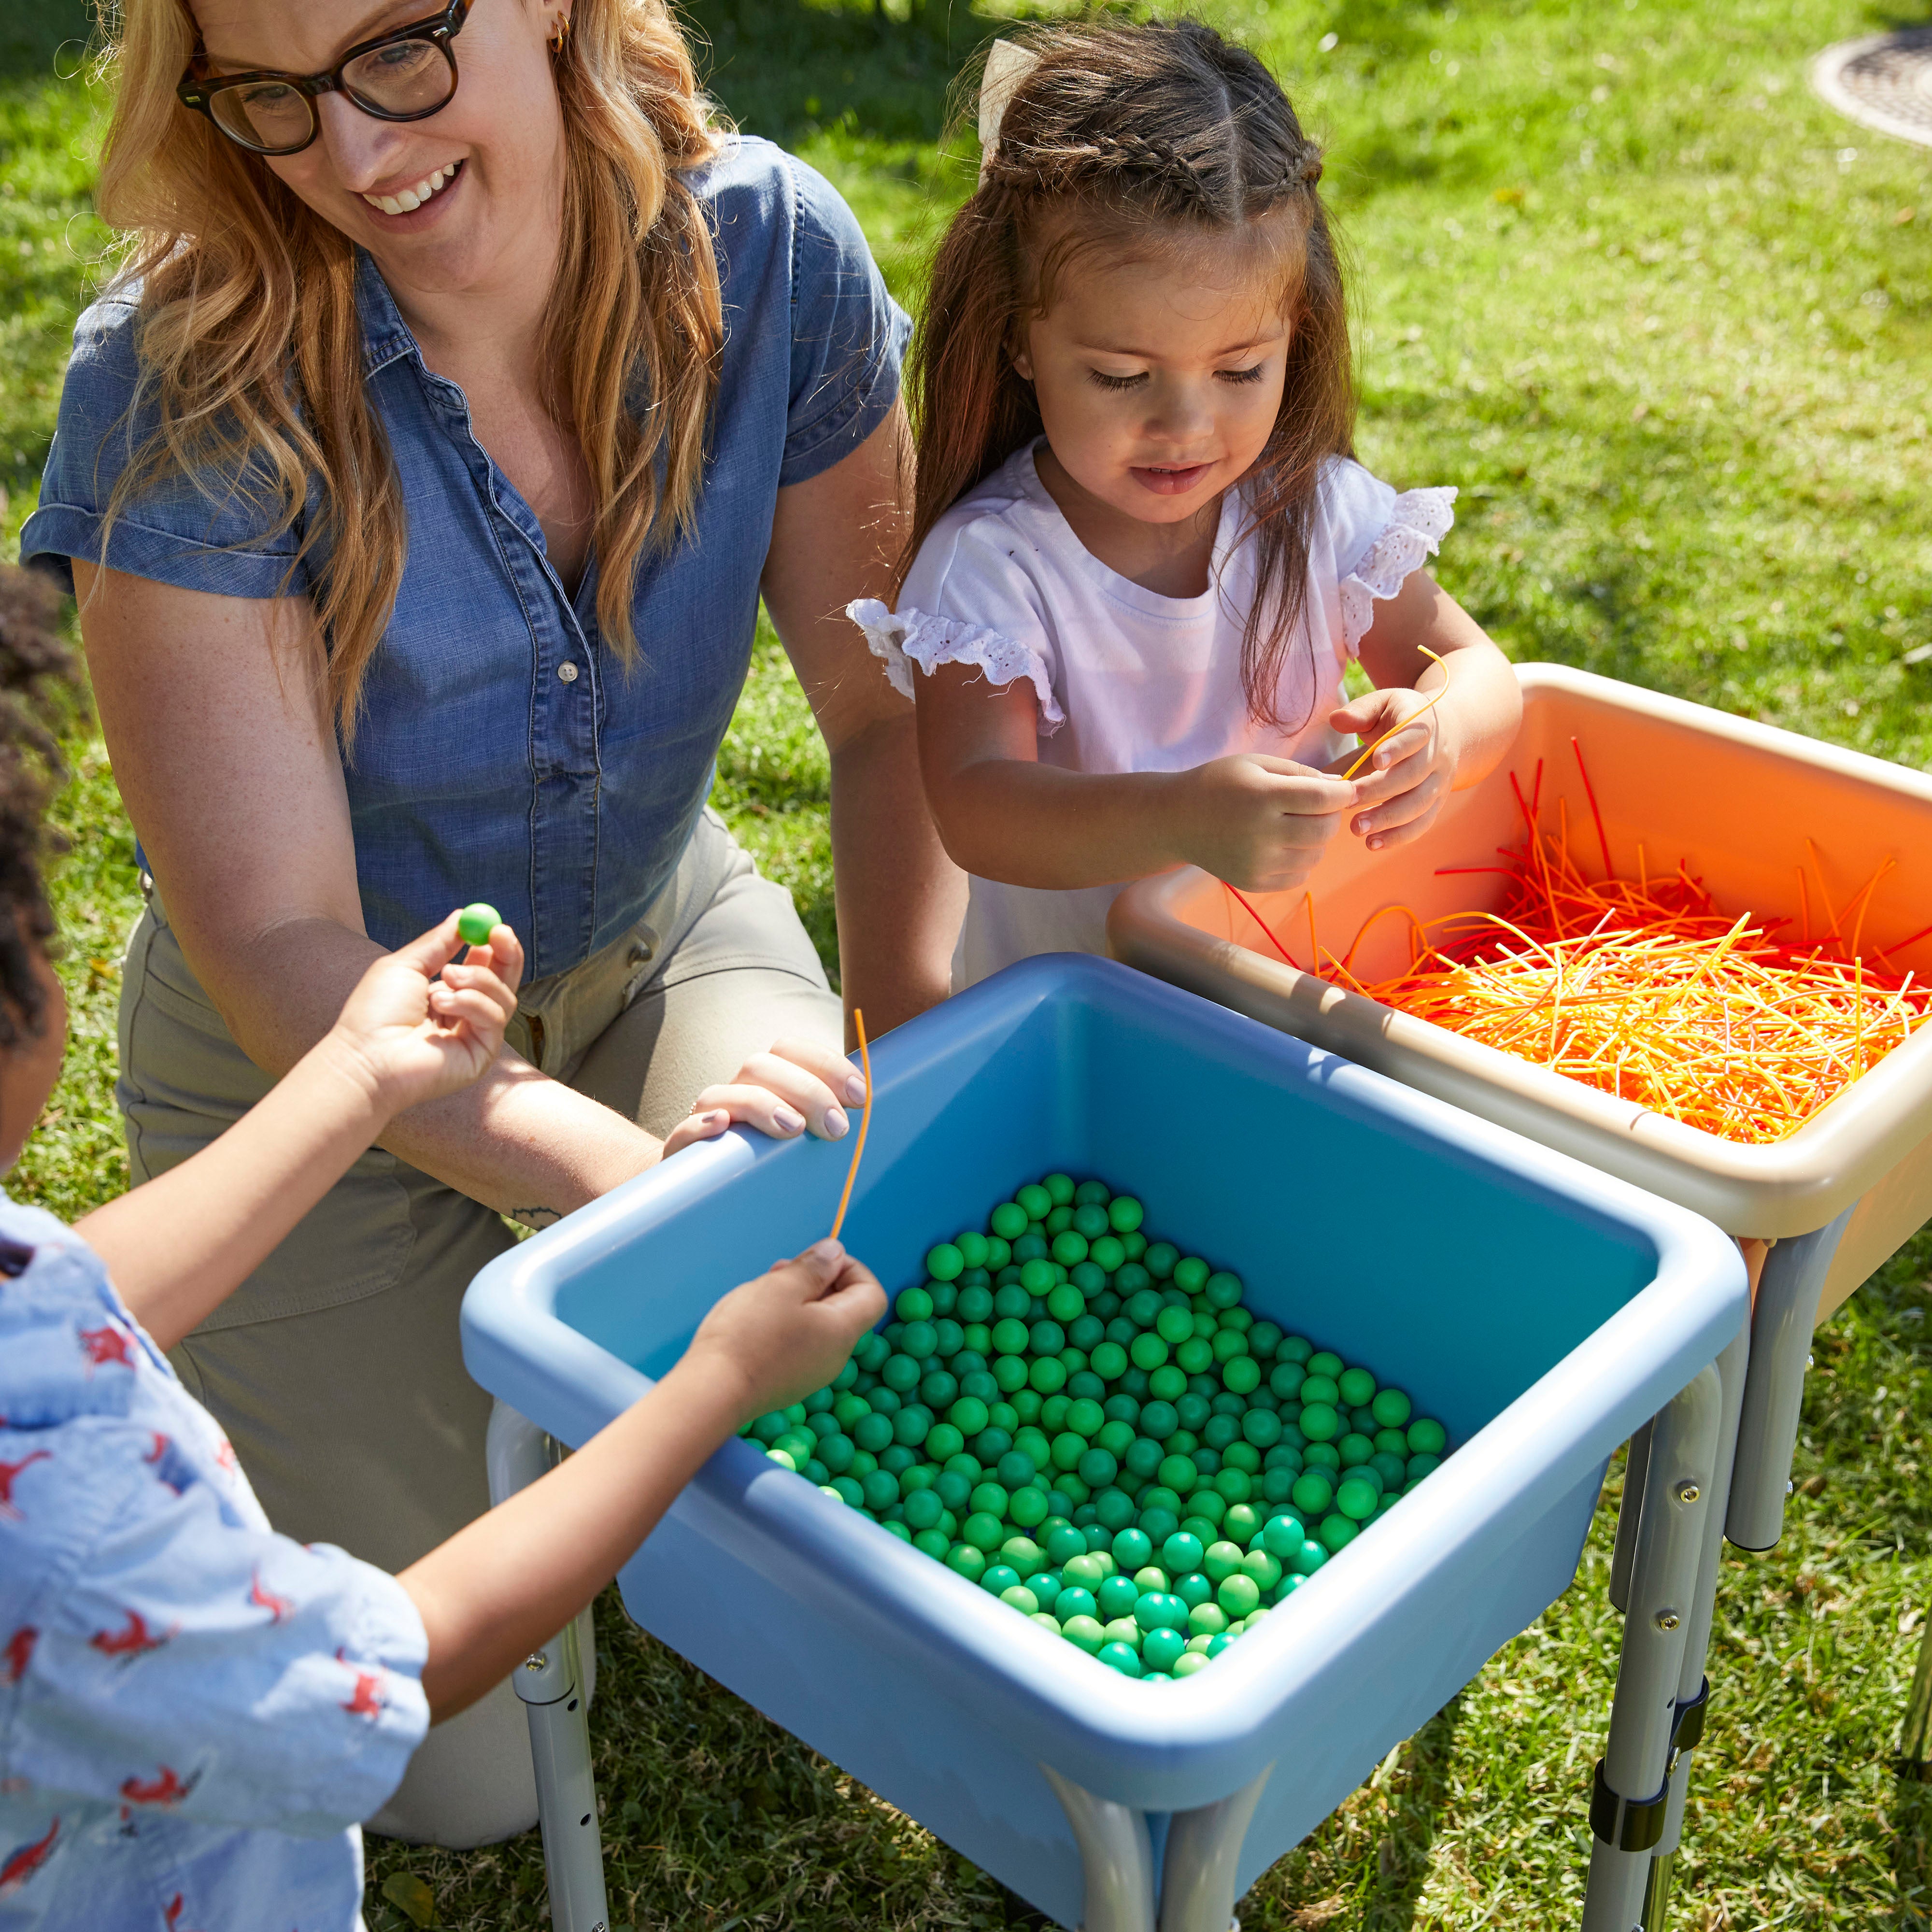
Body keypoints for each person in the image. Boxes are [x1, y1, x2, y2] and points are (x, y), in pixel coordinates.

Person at [20, 0, 959, 1841]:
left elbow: (885, 715)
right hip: (313, 1073)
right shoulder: (178, 374)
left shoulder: (773, 255)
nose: (358, 155)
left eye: (398, 53)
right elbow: (288, 946)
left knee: (853, 1365)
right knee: (460, 1785)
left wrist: (910, 1051)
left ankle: (596, 1396)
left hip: (650, 946)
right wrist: (637, 1182)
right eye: (272, 99)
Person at [0, 564, 886, 1931]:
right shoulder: (68, 1534)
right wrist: (709, 1383)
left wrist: (356, 1074)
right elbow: (400, 1663)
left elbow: (69, 1293)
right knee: (459, 1778)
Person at [848, 21, 1521, 989]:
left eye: (1239, 368)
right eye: (1122, 376)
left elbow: (1474, 665)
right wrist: (1180, 815)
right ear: (1018, 340)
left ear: (1295, 331)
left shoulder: (1313, 510)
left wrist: (1441, 729)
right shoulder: (995, 565)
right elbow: (976, 806)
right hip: (1090, 1030)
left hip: (1301, 984)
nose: (1185, 424)